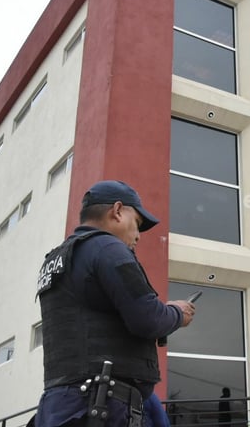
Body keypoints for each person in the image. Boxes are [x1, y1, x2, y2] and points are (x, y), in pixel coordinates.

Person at [33, 180, 196, 427]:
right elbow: (148, 318)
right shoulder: (108, 247)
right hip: (104, 404)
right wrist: (176, 312)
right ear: (117, 211)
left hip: (63, 403)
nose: (138, 236)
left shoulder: (58, 259)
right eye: (138, 224)